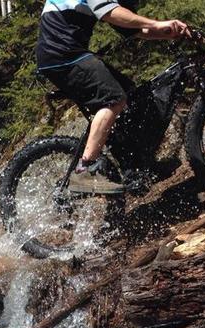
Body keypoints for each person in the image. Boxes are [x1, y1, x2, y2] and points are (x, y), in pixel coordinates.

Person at [36, 0, 191, 194]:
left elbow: (134, 29)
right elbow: (109, 13)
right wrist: (154, 23)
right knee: (114, 99)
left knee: (132, 97)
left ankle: (134, 168)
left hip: (70, 54)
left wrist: (167, 32)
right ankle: (84, 172)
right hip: (61, 55)